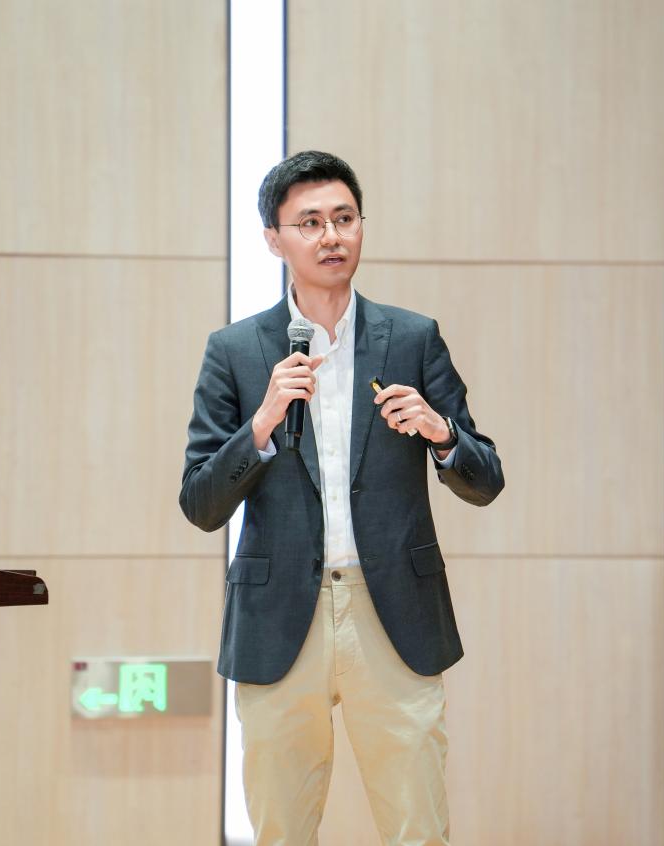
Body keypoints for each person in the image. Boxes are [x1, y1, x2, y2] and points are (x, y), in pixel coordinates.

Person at [180, 150, 504, 845]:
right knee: (282, 830)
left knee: (418, 828)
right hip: (278, 619)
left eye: (344, 218)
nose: (331, 236)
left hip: (392, 613)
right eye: (310, 223)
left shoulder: (412, 339)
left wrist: (441, 433)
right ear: (274, 239)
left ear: (360, 226)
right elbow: (200, 503)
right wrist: (260, 425)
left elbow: (485, 479)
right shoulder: (235, 351)